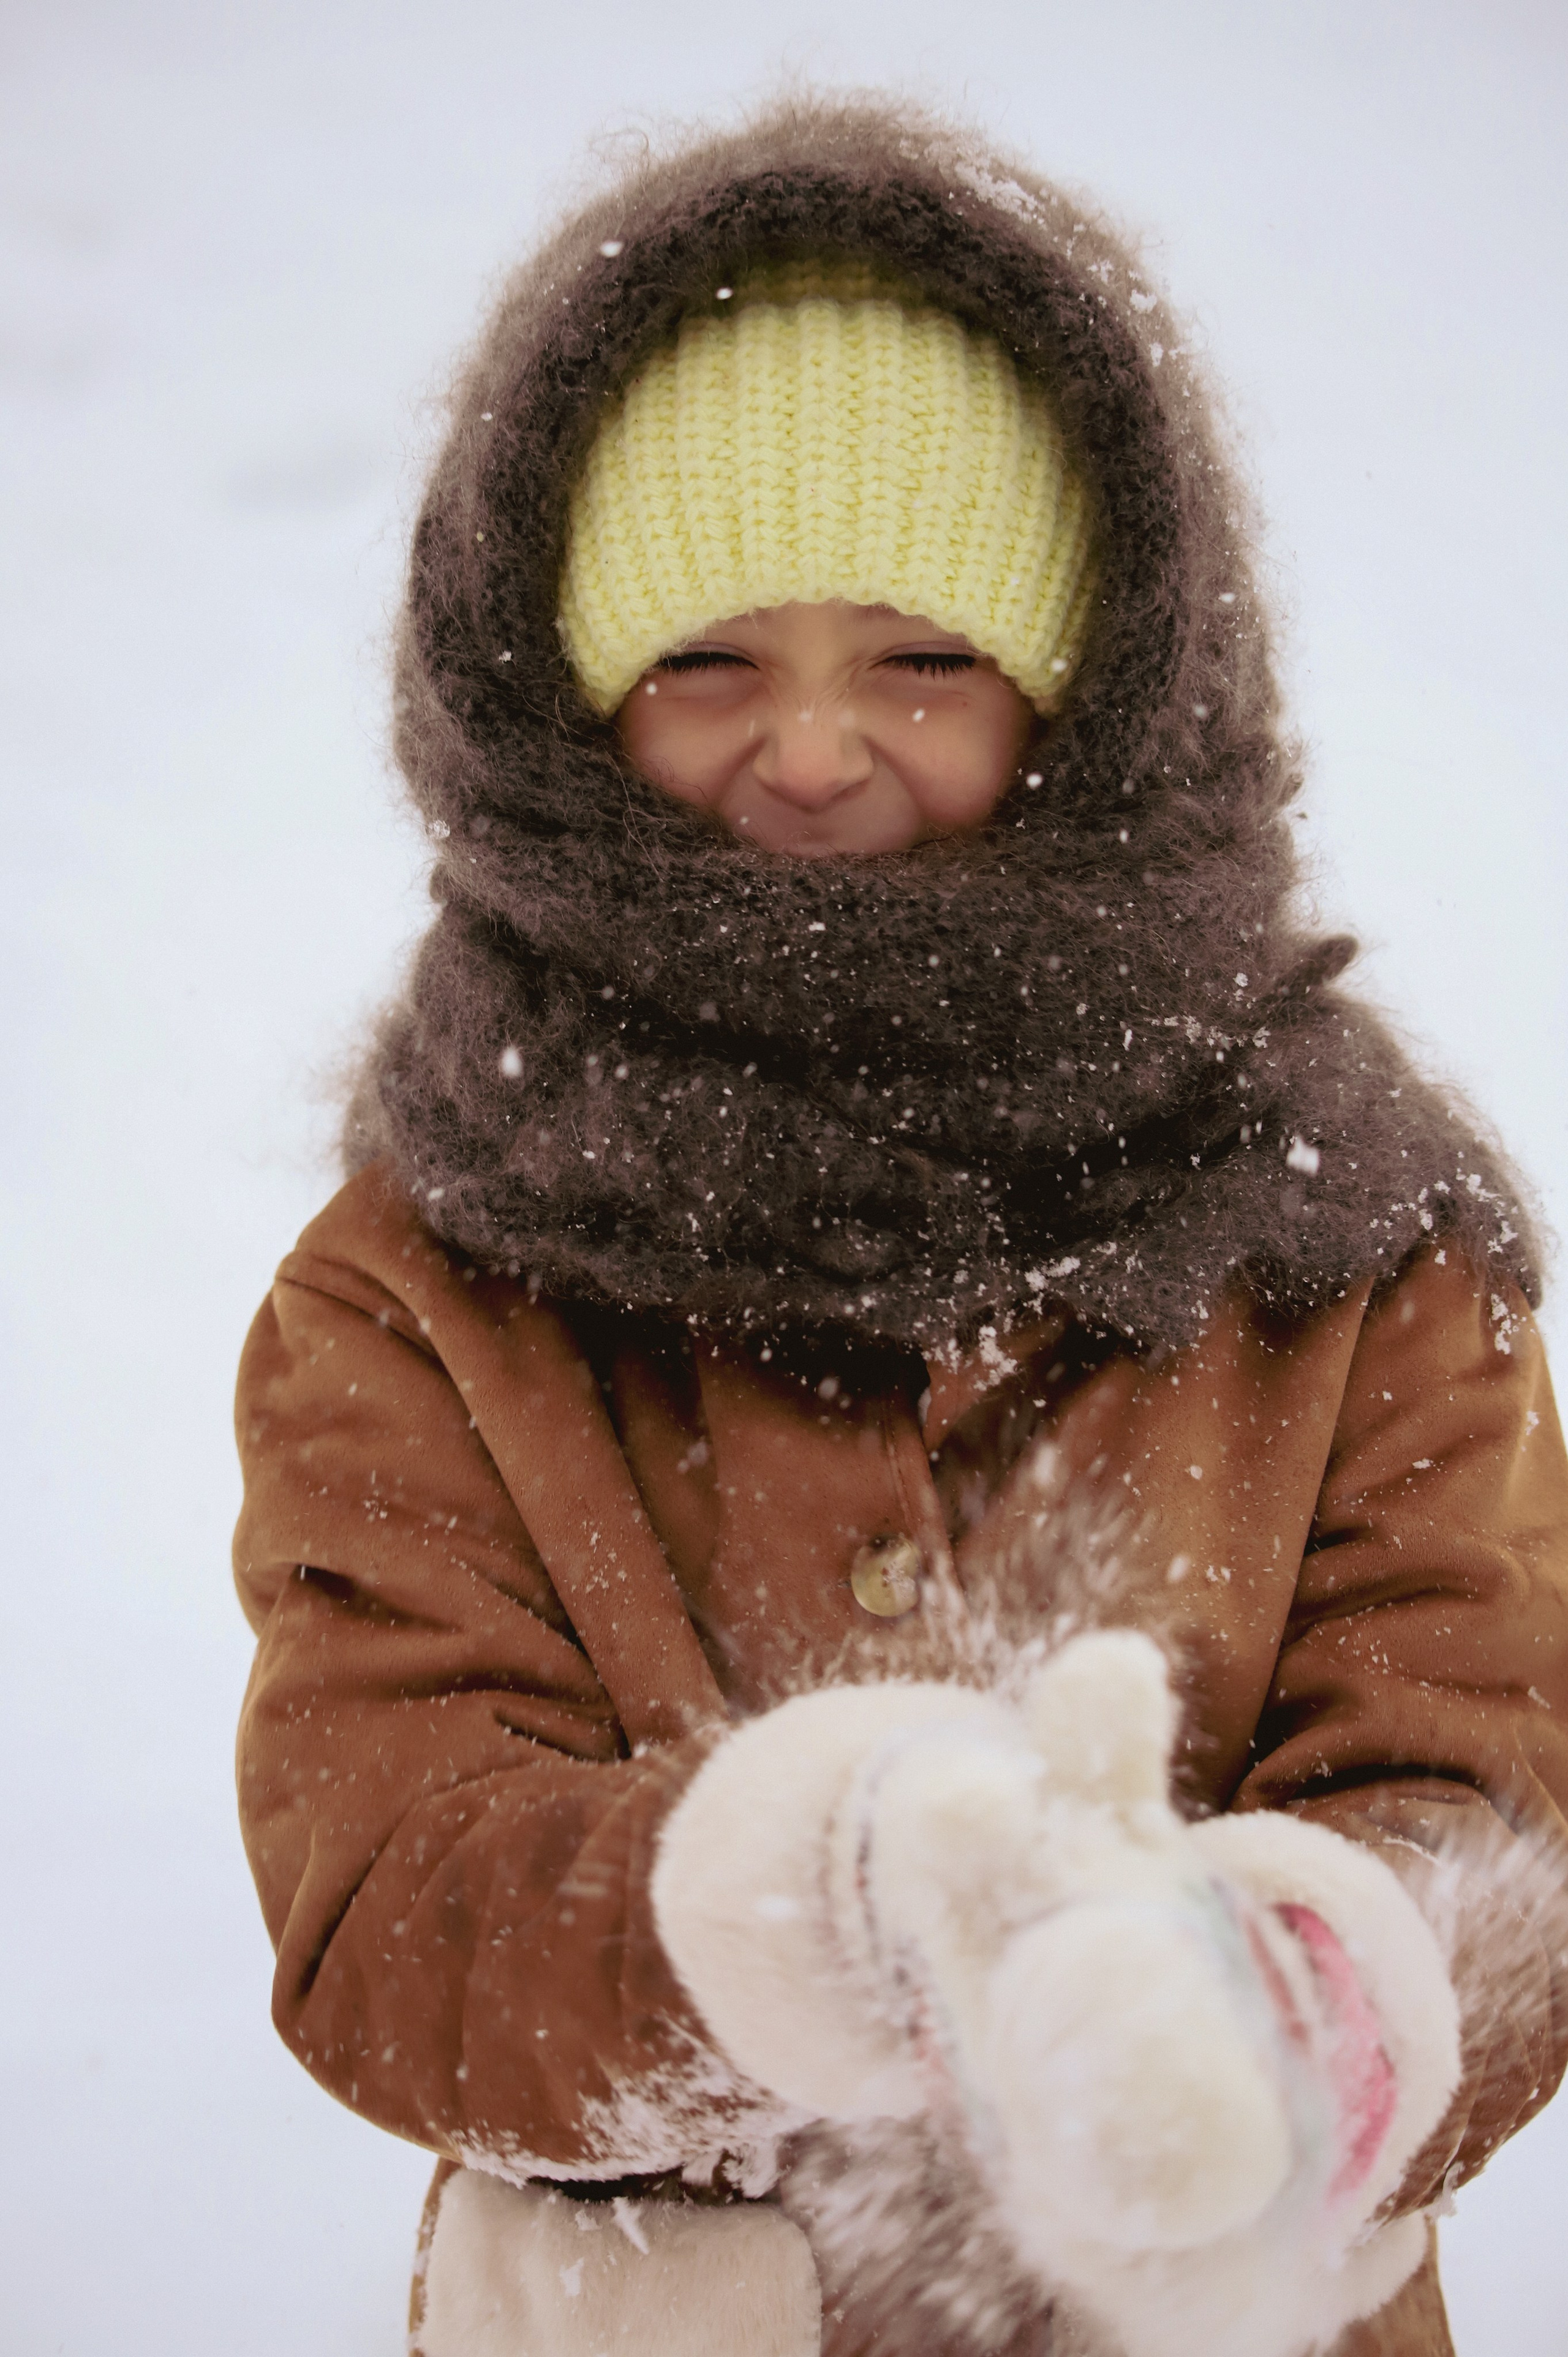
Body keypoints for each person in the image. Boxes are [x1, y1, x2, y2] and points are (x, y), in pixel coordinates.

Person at [232, 97, 1568, 2357]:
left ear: (1098, 695)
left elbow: (1491, 1811)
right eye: (706, 659)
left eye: (924, 656)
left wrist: (1260, 2009)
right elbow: (390, 1911)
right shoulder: (416, 1283)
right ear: (550, 710)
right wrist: (814, 1917)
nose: (820, 750)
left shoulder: (1349, 1242)